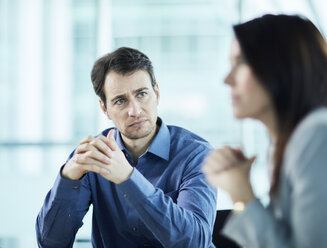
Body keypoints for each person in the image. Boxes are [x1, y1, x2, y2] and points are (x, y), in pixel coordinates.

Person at [202, 14, 327, 248]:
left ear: (280, 66)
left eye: (241, 62)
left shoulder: (319, 135)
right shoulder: (292, 141)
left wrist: (241, 192)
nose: (227, 80)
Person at [36, 47, 217, 248]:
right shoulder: (96, 154)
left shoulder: (196, 155)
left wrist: (128, 178)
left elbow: (195, 242)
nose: (135, 110)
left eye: (141, 94)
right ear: (105, 108)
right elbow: (51, 243)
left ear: (156, 94)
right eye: (120, 101)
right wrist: (69, 177)